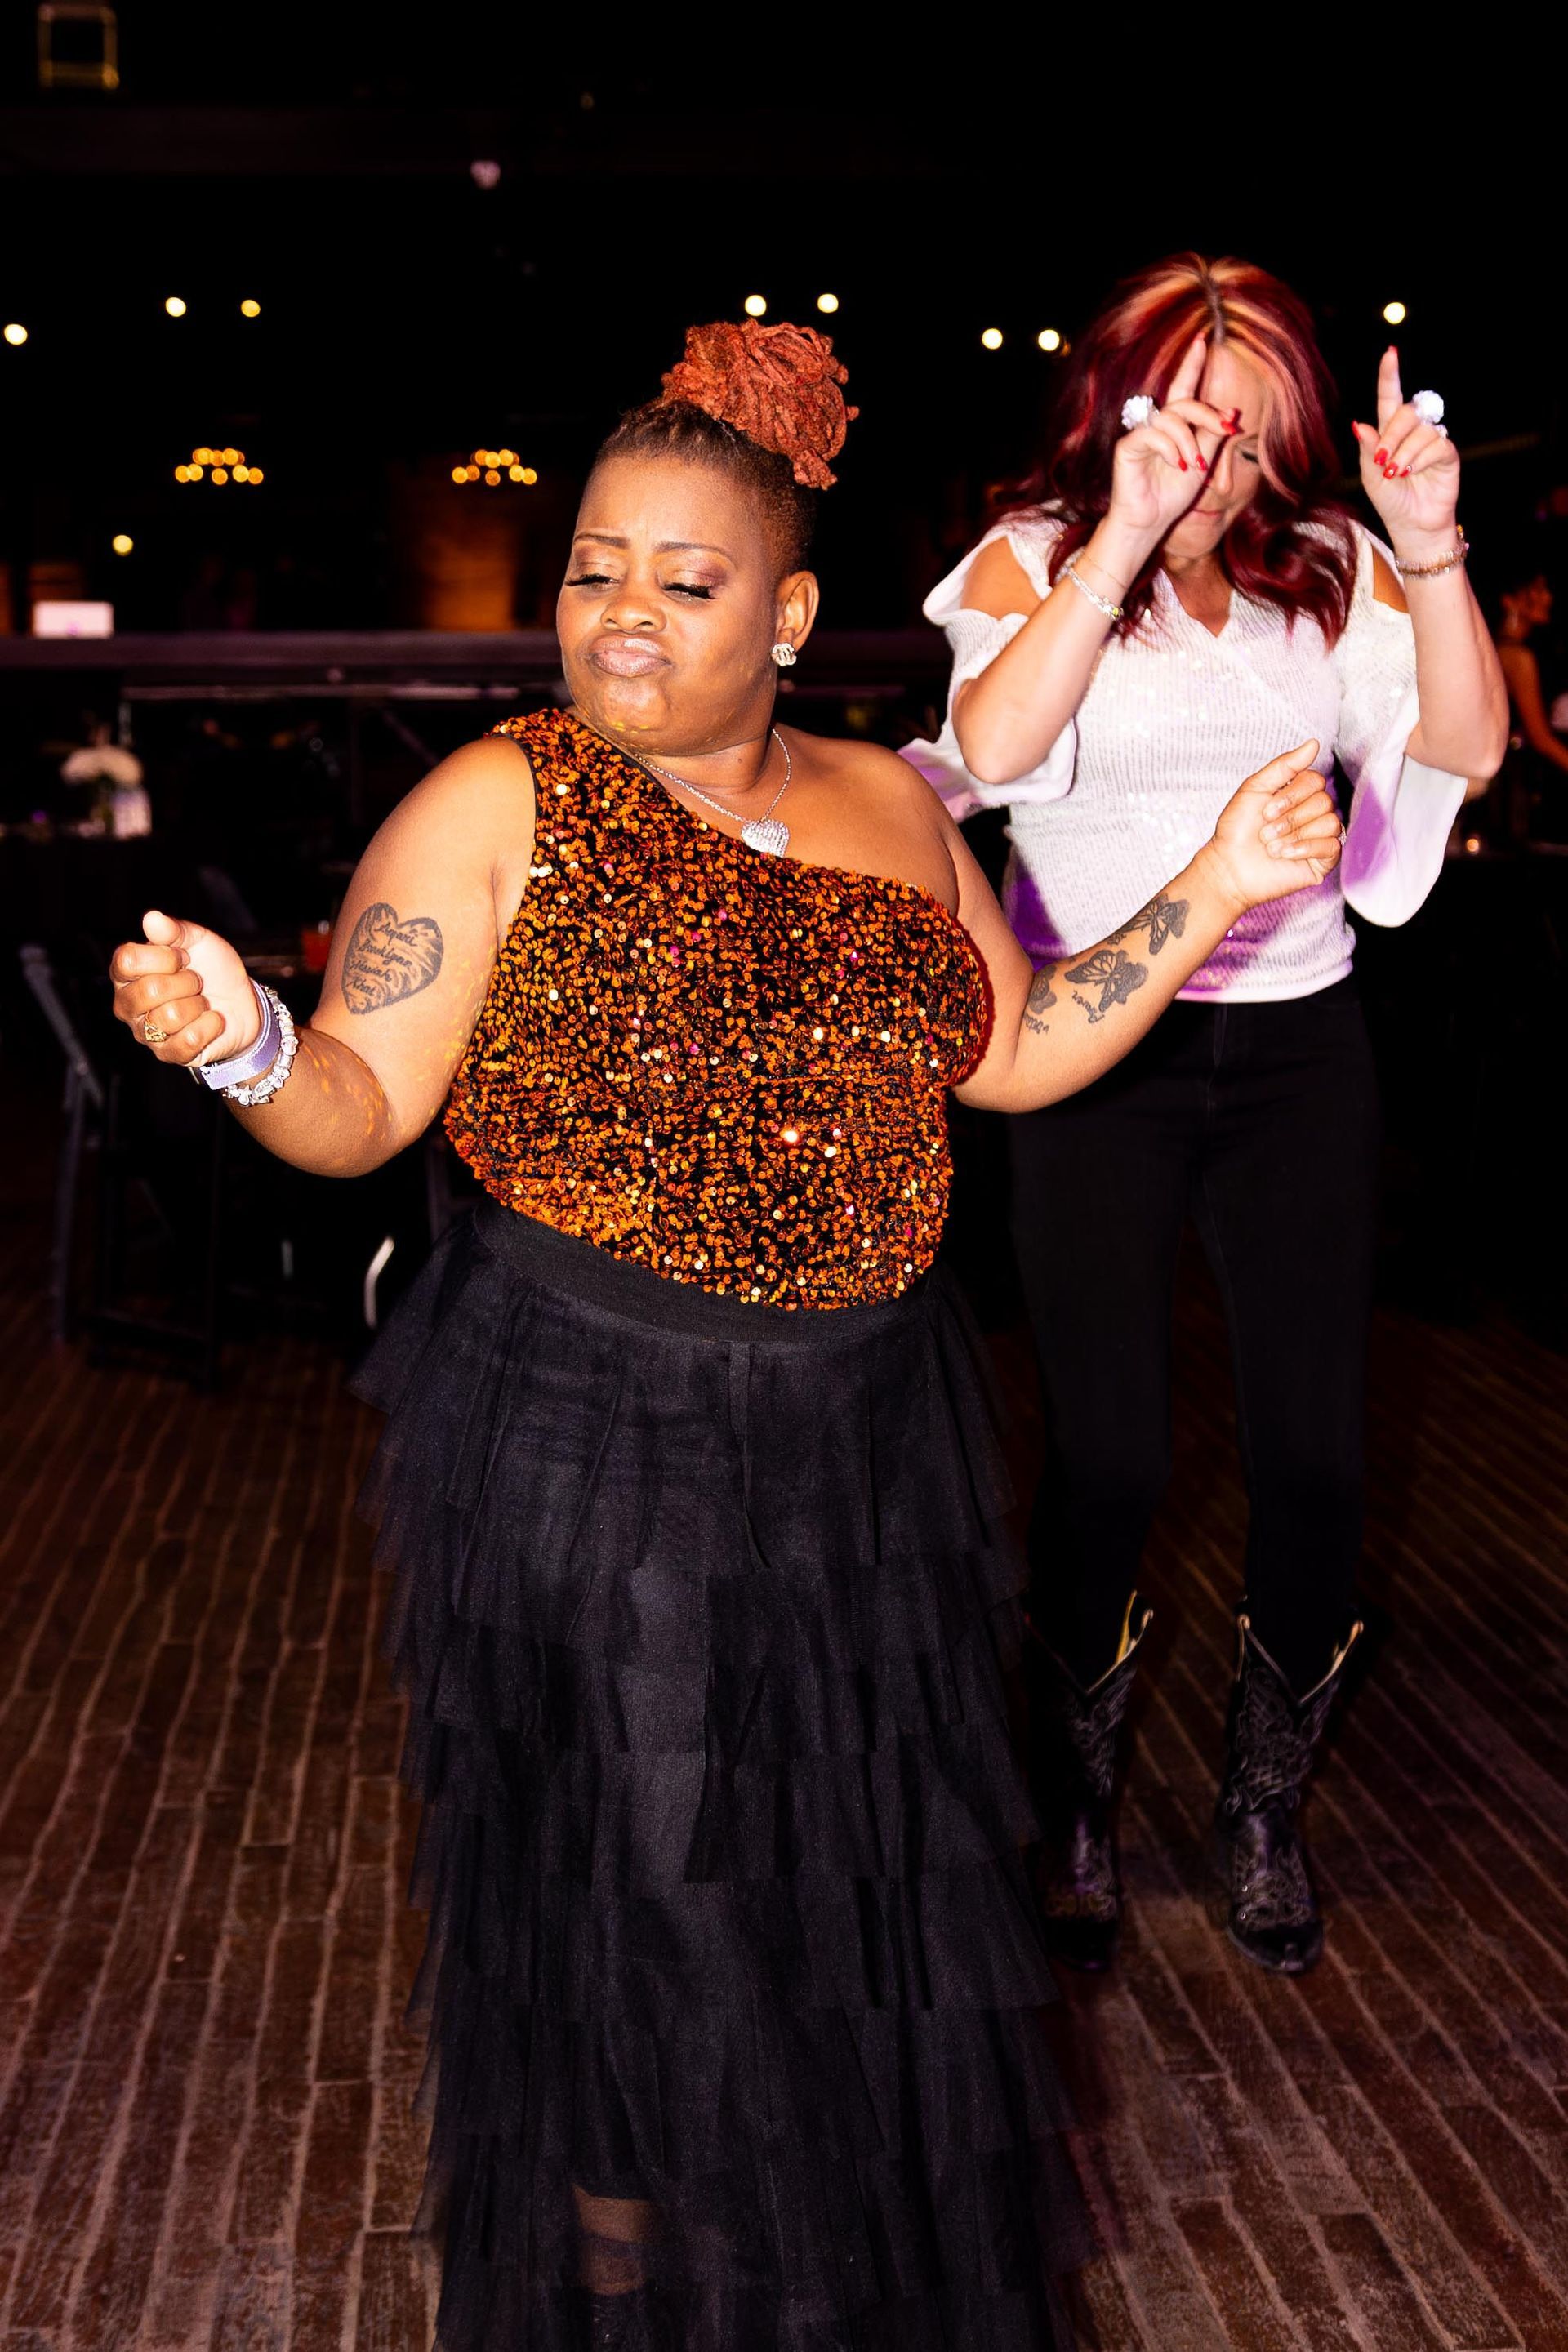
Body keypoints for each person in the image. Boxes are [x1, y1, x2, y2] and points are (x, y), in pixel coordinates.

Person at [109, 318, 1343, 2350]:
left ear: (785, 614)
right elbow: (357, 1104)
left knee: (847, 1897)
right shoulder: (499, 803)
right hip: (600, 1425)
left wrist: (1210, 884)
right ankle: (638, 2297)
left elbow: (1017, 1052)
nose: (620, 613)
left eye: (681, 582)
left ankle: (798, 2284)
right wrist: (242, 1039)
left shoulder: (886, 798)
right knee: (655, 1893)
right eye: (595, 566)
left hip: (864, 1436)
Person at [906, 253, 1508, 1980]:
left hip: (1297, 1047)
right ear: (1116, 407)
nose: (1222, 469)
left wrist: (1432, 539)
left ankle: (1261, 1804)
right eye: (1190, 426)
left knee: (1317, 1460)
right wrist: (1116, 535)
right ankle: (1074, 1796)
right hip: (1095, 1052)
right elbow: (999, 747)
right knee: (1111, 1455)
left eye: (1258, 441)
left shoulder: (1330, 573)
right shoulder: (1031, 556)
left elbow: (1459, 747)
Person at [1492, 560, 1568, 842]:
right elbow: (1540, 738)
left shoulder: (1493, 648)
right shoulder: (1516, 657)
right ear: (1509, 600)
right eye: (1537, 589)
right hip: (1514, 785)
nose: (1547, 596)